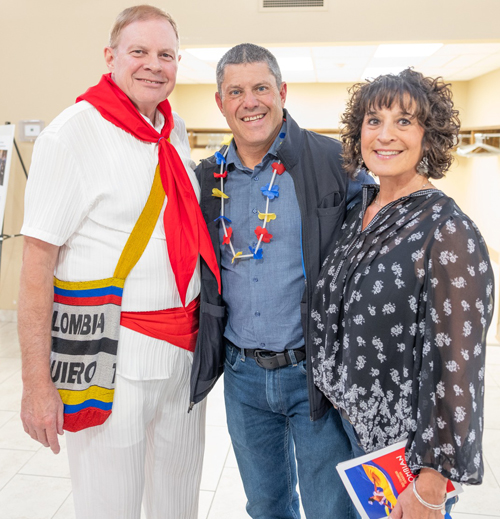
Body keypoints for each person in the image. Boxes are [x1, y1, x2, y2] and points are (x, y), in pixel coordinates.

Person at [18, 6, 219, 519]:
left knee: (178, 502)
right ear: (110, 58)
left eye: (166, 55)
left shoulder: (169, 131)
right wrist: (38, 386)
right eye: (139, 52)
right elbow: (37, 266)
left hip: (183, 354)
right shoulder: (70, 135)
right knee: (112, 506)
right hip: (111, 355)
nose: (154, 65)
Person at [191, 43, 373, 519]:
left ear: (282, 92)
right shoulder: (209, 176)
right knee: (266, 506)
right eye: (236, 91)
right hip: (243, 376)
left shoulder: (334, 161)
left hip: (312, 371)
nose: (249, 101)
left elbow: (387, 222)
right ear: (220, 102)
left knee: (331, 508)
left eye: (260, 88)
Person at [310, 69, 495, 518]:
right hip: (347, 432)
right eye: (373, 121)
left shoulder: (447, 231)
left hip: (407, 457)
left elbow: (459, 368)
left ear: (427, 137)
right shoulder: (362, 211)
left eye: (404, 121)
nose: (385, 135)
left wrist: (432, 483)